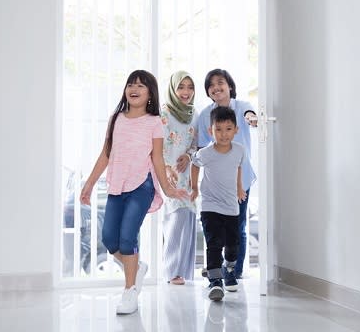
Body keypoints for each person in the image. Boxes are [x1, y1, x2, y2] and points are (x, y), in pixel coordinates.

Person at [80, 70, 188, 315]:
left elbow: (158, 159)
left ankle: (130, 292)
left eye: (140, 85)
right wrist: (88, 184)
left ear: (150, 93)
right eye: (130, 84)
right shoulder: (116, 118)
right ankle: (137, 267)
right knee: (109, 239)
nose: (134, 88)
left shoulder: (154, 122)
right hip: (117, 184)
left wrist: (168, 188)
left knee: (128, 238)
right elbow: (106, 154)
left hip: (142, 185)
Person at [196, 69, 257, 279]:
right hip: (215, 183)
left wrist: (252, 118)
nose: (216, 87)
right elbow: (202, 149)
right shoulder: (205, 115)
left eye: (220, 82)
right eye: (211, 85)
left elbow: (250, 114)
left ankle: (234, 271)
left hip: (240, 180)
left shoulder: (241, 107)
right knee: (214, 228)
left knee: (237, 226)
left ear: (229, 85)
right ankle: (216, 268)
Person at [191, 106, 247, 301]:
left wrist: (240, 188)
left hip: (231, 206)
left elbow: (238, 168)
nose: (224, 134)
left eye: (228, 129)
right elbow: (195, 165)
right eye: (219, 129)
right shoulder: (206, 153)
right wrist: (195, 188)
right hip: (210, 206)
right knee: (214, 244)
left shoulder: (240, 150)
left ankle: (228, 268)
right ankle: (215, 282)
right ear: (210, 131)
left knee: (233, 245)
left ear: (236, 130)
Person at [161, 71, 198, 285]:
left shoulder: (195, 114)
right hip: (169, 173)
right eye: (181, 87)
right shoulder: (164, 113)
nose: (186, 92)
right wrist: (166, 168)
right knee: (176, 218)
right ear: (173, 90)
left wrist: (188, 155)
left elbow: (196, 145)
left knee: (187, 219)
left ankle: (183, 271)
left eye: (190, 87)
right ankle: (171, 271)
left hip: (187, 173)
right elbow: (157, 145)